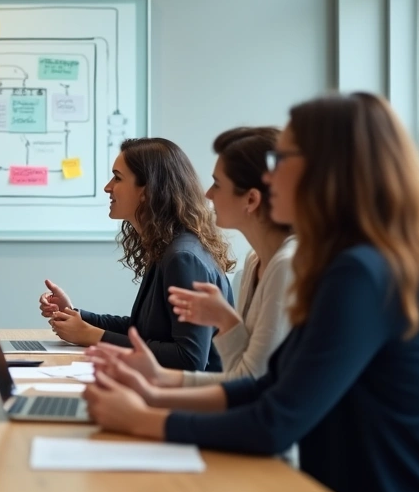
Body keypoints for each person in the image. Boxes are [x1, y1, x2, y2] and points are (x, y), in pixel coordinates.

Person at [85, 93, 419, 492]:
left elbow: (275, 423)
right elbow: (269, 387)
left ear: (327, 171)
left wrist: (143, 419)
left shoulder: (362, 273)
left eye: (282, 159)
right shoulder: (343, 264)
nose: (269, 176)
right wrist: (153, 392)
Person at [97, 128, 295, 387]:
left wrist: (96, 337)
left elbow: (246, 380)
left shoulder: (284, 265)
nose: (207, 194)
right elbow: (241, 374)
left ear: (251, 199)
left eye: (218, 184)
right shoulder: (255, 260)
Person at [39, 138, 234, 371]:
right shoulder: (167, 246)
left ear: (147, 190)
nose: (107, 187)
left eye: (118, 178)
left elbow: (189, 359)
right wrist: (75, 316)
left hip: (192, 400)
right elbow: (143, 330)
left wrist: (94, 336)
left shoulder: (183, 257)